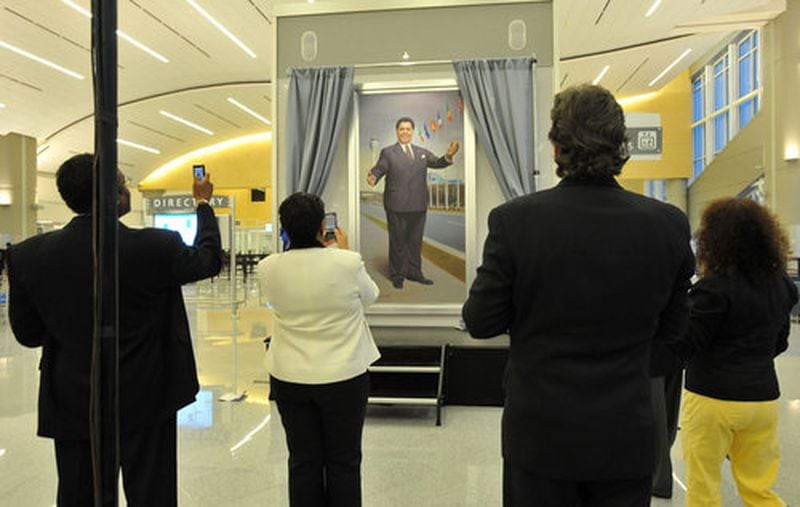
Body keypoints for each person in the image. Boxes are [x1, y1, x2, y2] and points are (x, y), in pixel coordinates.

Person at [461, 84, 695, 506]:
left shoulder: (515, 222)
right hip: (626, 432)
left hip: (540, 434)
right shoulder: (668, 225)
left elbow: (480, 322)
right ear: (622, 145)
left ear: (555, 148)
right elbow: (677, 335)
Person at [7, 153, 222, 506]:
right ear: (113, 195)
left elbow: (28, 334)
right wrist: (202, 203)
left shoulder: (29, 256)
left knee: (78, 494)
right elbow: (209, 259)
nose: (128, 192)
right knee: (152, 494)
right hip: (148, 396)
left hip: (74, 400)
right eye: (122, 184)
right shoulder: (157, 247)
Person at [670, 197, 798, 507]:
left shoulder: (712, 288)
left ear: (714, 239)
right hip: (763, 399)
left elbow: (689, 345)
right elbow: (779, 343)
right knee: (759, 488)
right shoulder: (783, 285)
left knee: (704, 489)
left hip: (712, 399)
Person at [256, 192, 380, 506]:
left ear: (283, 227)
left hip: (289, 377)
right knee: (344, 461)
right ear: (323, 225)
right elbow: (371, 296)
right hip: (344, 376)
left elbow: (272, 299)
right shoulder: (347, 262)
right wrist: (345, 251)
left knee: (302, 460)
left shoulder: (268, 267)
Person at [366, 117, 460, 289]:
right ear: (397, 132)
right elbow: (380, 167)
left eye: (408, 129)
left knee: (415, 242)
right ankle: (397, 275)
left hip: (418, 204)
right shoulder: (388, 152)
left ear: (412, 132)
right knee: (398, 242)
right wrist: (373, 176)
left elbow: (438, 163)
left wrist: (448, 156)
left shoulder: (422, 152)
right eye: (401, 129)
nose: (405, 132)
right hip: (396, 205)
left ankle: (414, 273)